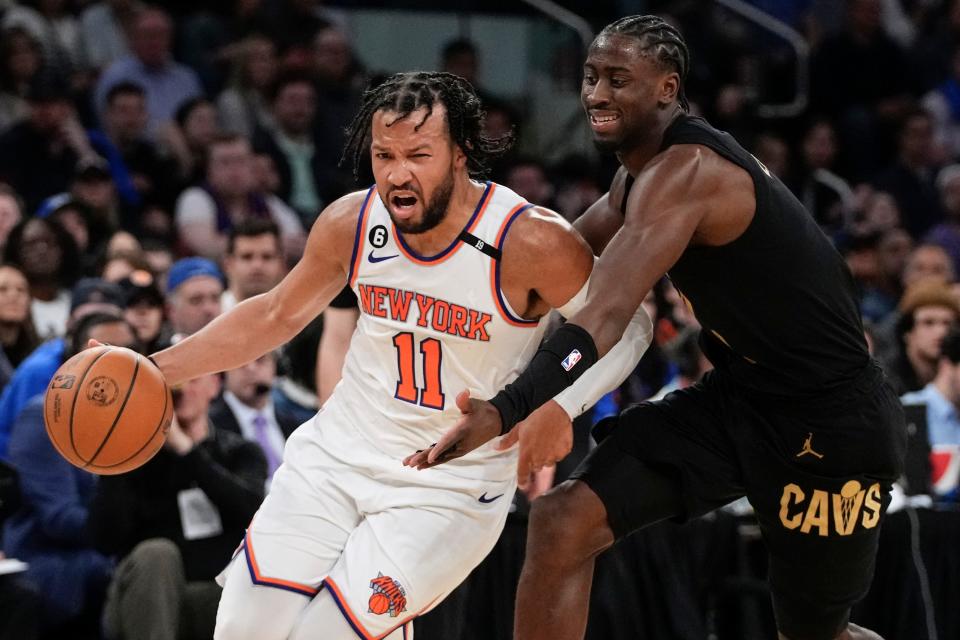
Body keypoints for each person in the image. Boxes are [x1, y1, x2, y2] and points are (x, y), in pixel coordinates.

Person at [409, 16, 906, 640]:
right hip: (740, 401)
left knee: (815, 635)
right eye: (591, 77)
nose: (596, 94)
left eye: (619, 80)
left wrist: (511, 407)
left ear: (668, 89)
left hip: (831, 422)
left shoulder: (688, 172)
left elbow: (606, 313)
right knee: (562, 522)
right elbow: (555, 259)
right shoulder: (636, 175)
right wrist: (435, 288)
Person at [145, 71, 651, 640]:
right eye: (384, 154)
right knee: (243, 629)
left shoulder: (526, 240)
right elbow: (274, 314)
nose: (397, 173)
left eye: (418, 154)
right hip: (336, 457)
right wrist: (154, 369)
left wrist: (561, 406)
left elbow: (629, 324)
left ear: (461, 154)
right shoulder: (352, 221)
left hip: (449, 486)